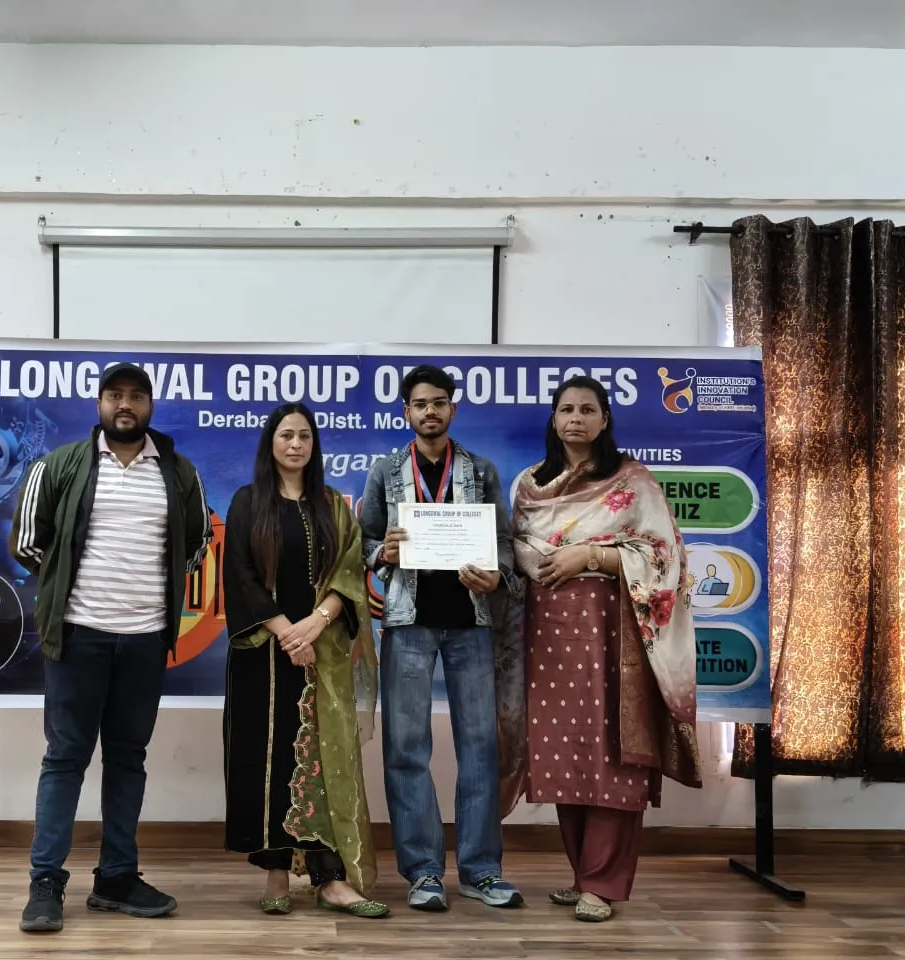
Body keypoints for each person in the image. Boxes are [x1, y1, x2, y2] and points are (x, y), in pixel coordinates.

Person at [7, 362, 212, 933]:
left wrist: (149, 593)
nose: (126, 404)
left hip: (146, 639)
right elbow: (27, 542)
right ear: (99, 404)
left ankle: (117, 878)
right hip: (78, 635)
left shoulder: (178, 471)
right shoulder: (61, 465)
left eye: (136, 396)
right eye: (115, 395)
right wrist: (68, 586)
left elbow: (196, 543)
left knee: (128, 759)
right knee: (65, 758)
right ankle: (45, 882)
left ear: (150, 406)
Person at [511, 375, 701, 923]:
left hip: (616, 632)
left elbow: (665, 557)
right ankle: (582, 874)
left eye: (587, 410)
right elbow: (517, 546)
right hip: (548, 632)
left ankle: (604, 882)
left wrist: (590, 557)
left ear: (604, 419)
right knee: (563, 751)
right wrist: (540, 560)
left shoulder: (632, 481)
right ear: (553, 419)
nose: (576, 418)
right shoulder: (529, 484)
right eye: (566, 409)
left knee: (615, 752)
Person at [359, 364, 523, 912]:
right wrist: (382, 552)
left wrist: (497, 574)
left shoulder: (480, 470)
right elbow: (363, 541)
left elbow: (504, 541)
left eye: (438, 402)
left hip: (471, 622)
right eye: (420, 404)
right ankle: (423, 871)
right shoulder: (385, 471)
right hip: (408, 621)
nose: (429, 411)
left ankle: (481, 870)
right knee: (406, 748)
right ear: (405, 411)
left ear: (453, 407)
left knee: (480, 746)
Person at [222, 403, 388, 919]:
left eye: (305, 437)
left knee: (322, 760)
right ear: (270, 443)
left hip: (324, 653)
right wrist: (287, 633)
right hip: (264, 654)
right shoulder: (249, 501)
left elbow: (349, 571)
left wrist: (315, 623)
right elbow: (241, 575)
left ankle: (330, 879)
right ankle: (275, 871)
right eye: (286, 435)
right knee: (268, 761)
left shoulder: (332, 505)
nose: (296, 444)